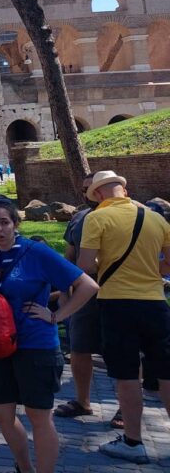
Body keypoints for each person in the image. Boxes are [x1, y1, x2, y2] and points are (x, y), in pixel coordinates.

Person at [0, 197, 98, 473]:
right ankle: (24, 467)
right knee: (1, 412)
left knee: (38, 416)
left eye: (5, 222)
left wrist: (56, 316)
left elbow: (87, 285)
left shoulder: (36, 252)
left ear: (15, 223)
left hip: (36, 344)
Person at [77, 170, 170, 464]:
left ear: (99, 194)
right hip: (156, 302)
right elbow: (168, 266)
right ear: (123, 189)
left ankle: (133, 442)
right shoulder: (156, 219)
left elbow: (85, 266)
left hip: (116, 303)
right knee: (167, 373)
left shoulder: (97, 218)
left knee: (127, 375)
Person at [54, 174, 105, 420]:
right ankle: (82, 401)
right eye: (85, 189)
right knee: (79, 348)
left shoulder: (127, 215)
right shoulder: (78, 218)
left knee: (123, 351)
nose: (88, 193)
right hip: (84, 296)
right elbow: (69, 258)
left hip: (115, 292)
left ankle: (123, 408)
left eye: (92, 189)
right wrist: (64, 291)